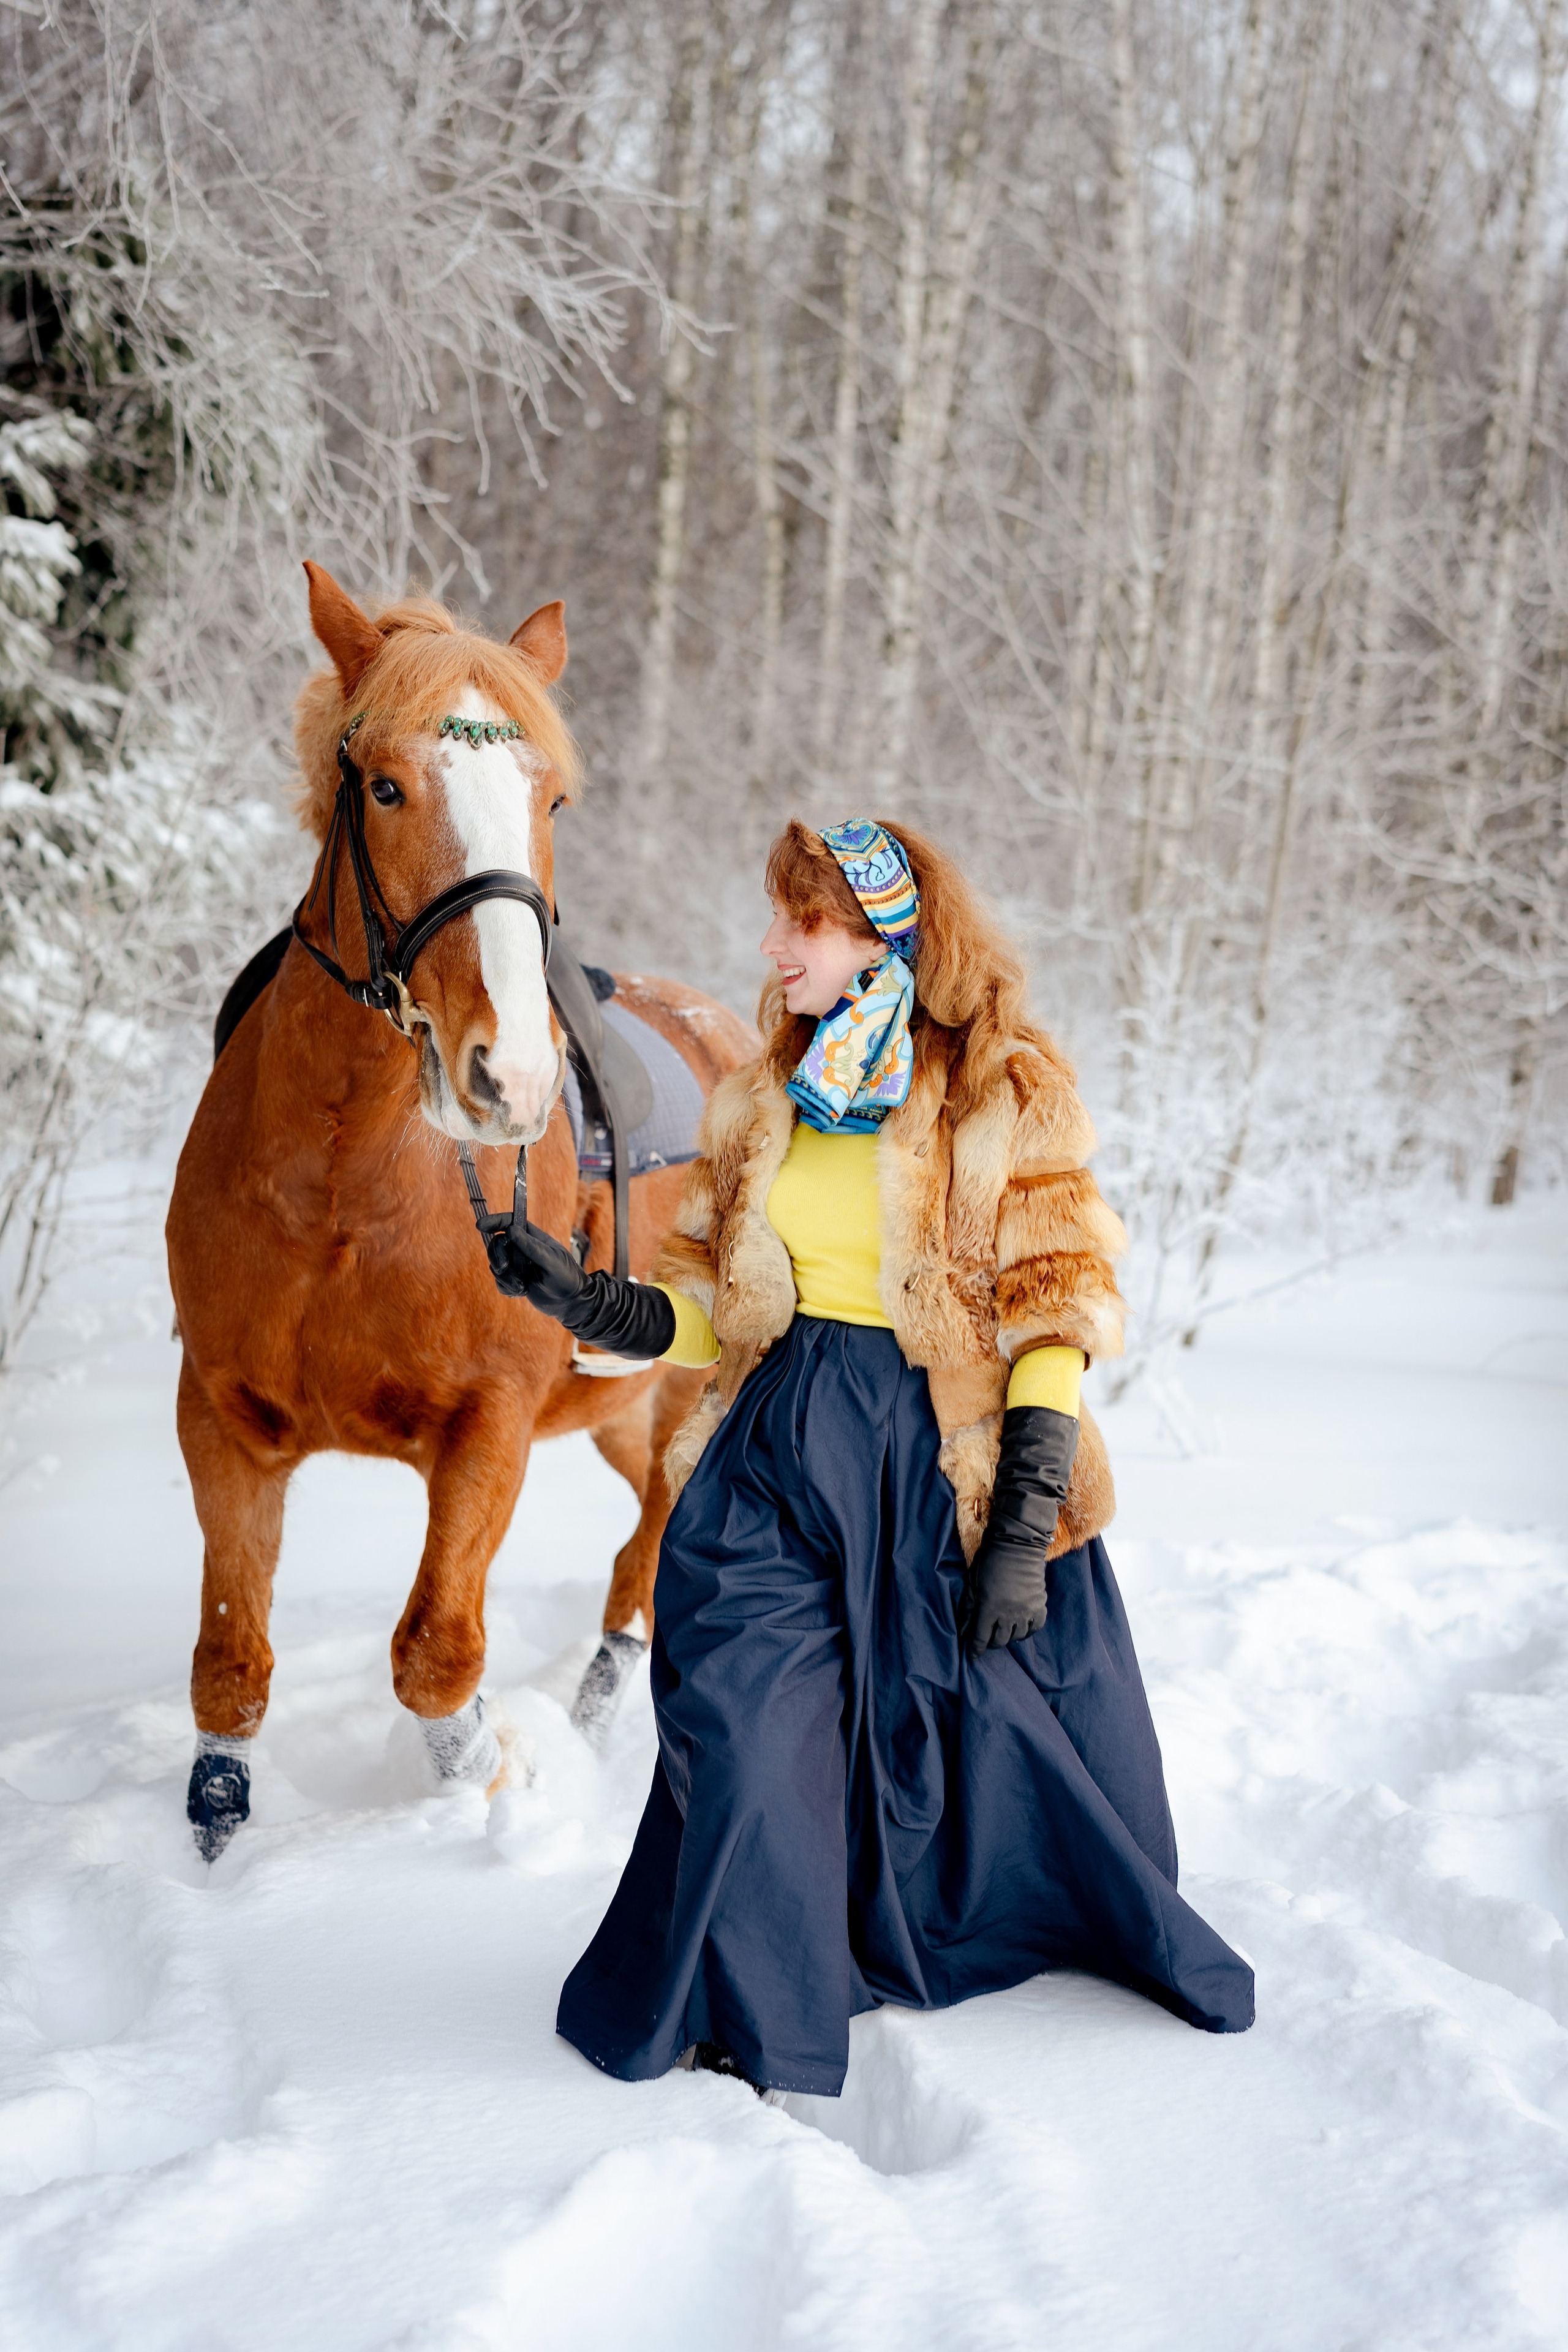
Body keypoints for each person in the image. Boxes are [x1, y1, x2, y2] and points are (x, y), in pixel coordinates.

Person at [488, 818, 1254, 2094]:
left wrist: (1019, 1528)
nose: (771, 946)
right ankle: (755, 1994)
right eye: (775, 916)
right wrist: (598, 1307)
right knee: (739, 1719)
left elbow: (1054, 1310)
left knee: (975, 1745)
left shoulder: (1003, 1087)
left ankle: (933, 1935)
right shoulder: (754, 1102)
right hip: (780, 1444)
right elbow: (712, 1309)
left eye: (805, 922)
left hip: (939, 1455)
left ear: (881, 934)